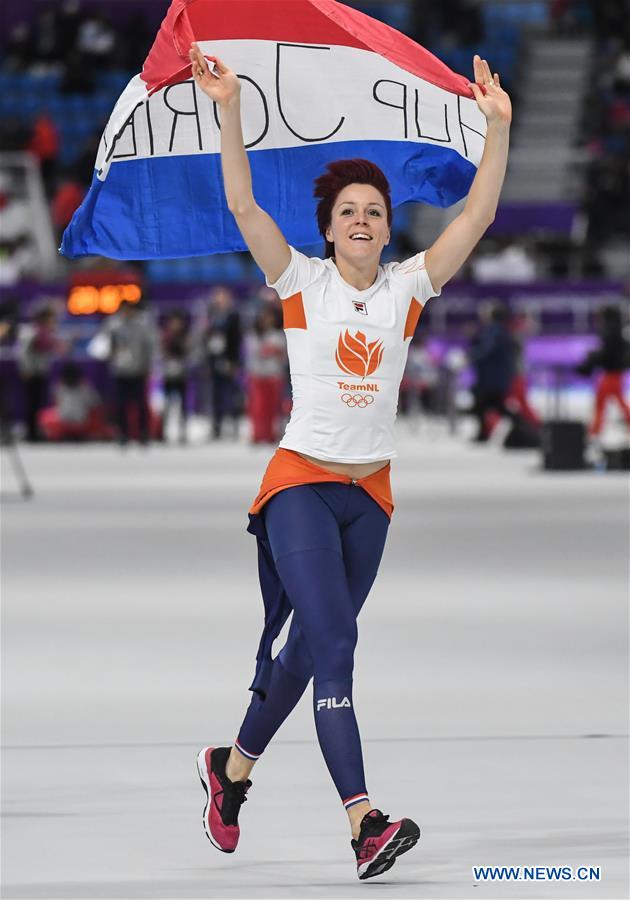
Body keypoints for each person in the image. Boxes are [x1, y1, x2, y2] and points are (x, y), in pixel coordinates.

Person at [189, 44, 511, 880]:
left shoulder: (407, 288)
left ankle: (231, 772)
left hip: (371, 498)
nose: (363, 220)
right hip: (300, 484)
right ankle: (364, 819)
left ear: (386, 227)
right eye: (349, 211)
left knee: (308, 653)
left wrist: (498, 130)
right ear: (329, 226)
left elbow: (473, 218)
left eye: (375, 211)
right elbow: (240, 201)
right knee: (334, 642)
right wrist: (228, 109)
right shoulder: (298, 281)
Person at [104, 300, 155, 446]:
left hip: (138, 369)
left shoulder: (142, 325)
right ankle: (123, 434)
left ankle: (143, 433)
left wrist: (148, 367)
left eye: (129, 309)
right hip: (120, 370)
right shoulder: (113, 325)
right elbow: (105, 343)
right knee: (121, 404)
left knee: (141, 404)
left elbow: (149, 347)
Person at [576, 304, 630, 436]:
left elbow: (606, 354)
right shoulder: (616, 330)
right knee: (607, 401)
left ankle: (595, 430)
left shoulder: (611, 332)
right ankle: (595, 429)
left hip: (612, 373)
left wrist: (592, 361)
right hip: (613, 373)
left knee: (605, 401)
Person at [468, 302, 518, 442]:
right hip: (494, 376)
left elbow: (486, 350)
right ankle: (484, 433)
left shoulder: (494, 331)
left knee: (487, 405)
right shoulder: (499, 330)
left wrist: (470, 357)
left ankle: (519, 426)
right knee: (488, 406)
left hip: (491, 378)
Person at [202, 286, 242, 439]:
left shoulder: (233, 315)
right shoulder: (211, 315)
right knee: (215, 395)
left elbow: (236, 340)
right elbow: (206, 338)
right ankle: (216, 427)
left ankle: (234, 425)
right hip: (214, 359)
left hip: (229, 359)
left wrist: (234, 361)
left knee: (231, 393)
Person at [38, 361, 111, 442]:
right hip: (73, 422)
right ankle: (73, 434)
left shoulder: (59, 387)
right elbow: (96, 403)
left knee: (45, 415)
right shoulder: (84, 387)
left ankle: (64, 434)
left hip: (72, 423)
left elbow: (54, 402)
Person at [245, 308, 287, 444]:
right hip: (257, 375)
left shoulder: (279, 335)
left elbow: (283, 354)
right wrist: (270, 350)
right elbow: (253, 352)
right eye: (264, 318)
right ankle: (258, 434)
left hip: (274, 375)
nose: (267, 321)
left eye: (270, 318)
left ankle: (272, 434)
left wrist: (273, 351)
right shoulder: (253, 335)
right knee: (257, 407)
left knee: (273, 407)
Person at [159, 310, 191, 444]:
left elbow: (189, 351)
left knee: (182, 405)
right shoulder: (165, 336)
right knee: (166, 404)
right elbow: (161, 352)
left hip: (181, 374)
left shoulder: (185, 336)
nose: (176, 324)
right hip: (168, 374)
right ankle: (164, 431)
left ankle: (182, 431)